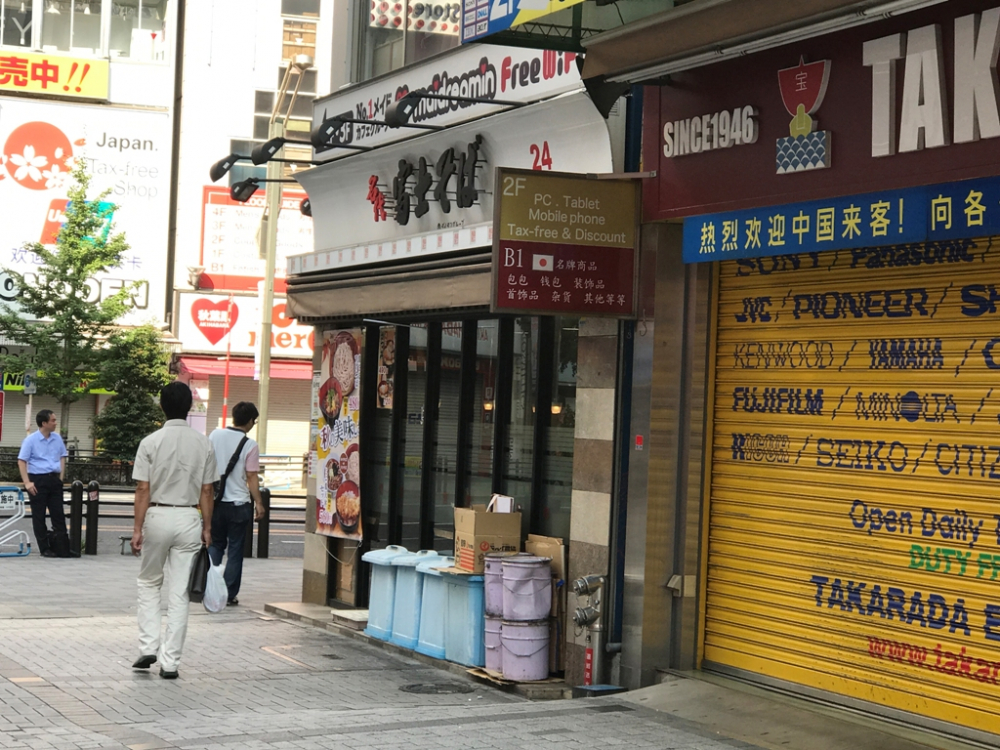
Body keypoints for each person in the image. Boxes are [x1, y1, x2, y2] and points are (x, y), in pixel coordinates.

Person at [130, 382, 218, 679]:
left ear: (161, 406)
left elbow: (143, 488)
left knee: (149, 582)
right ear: (190, 407)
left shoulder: (150, 442)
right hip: (188, 518)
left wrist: (137, 528)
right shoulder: (204, 443)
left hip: (156, 513)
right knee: (180, 592)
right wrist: (207, 527)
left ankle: (148, 646)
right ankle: (170, 663)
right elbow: (207, 491)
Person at [208, 401, 265, 606]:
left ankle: (209, 587)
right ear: (250, 421)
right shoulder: (250, 445)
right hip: (239, 503)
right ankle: (229, 594)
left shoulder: (215, 435)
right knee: (235, 550)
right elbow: (251, 476)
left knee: (215, 545)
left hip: (216, 502)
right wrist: (258, 502)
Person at [18, 410, 69, 558]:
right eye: (53, 420)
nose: (55, 422)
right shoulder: (31, 440)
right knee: (39, 515)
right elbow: (22, 461)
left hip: (54, 479)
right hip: (37, 479)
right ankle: (44, 548)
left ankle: (61, 547)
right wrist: (27, 482)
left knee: (58, 514)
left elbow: (62, 457)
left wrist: (60, 477)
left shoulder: (57, 438)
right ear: (44, 423)